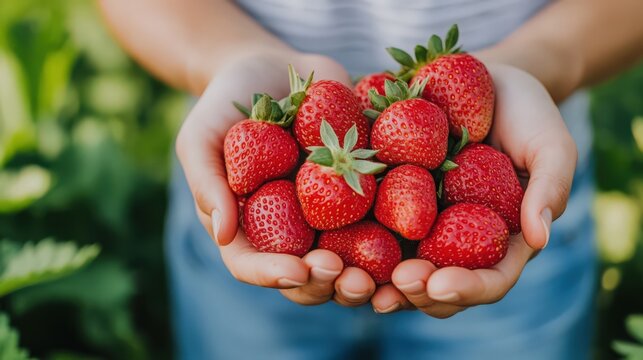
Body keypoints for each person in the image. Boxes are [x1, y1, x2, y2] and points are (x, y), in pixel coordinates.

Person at [98, 0, 643, 358]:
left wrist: (539, 63)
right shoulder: (297, 168)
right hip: (244, 243)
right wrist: (227, 59)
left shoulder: (439, 153)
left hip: (520, 183)